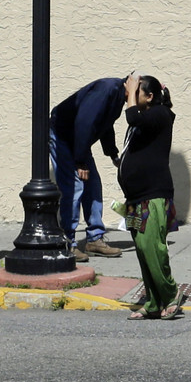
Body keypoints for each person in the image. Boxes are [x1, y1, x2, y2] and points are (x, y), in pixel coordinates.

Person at [118, 73, 182, 320]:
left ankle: (171, 293)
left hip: (153, 196)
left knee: (152, 247)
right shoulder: (145, 120)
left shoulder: (160, 114)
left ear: (150, 96)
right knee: (143, 251)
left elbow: (132, 116)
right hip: (136, 198)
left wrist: (132, 95)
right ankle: (154, 302)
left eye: (135, 93)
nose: (129, 98)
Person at [49, 75, 126, 259]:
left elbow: (105, 125)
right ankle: (67, 242)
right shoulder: (108, 89)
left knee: (93, 185)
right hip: (63, 135)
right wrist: (80, 161)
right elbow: (84, 121)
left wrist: (113, 154)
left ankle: (94, 239)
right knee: (74, 186)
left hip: (77, 140)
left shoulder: (117, 96)